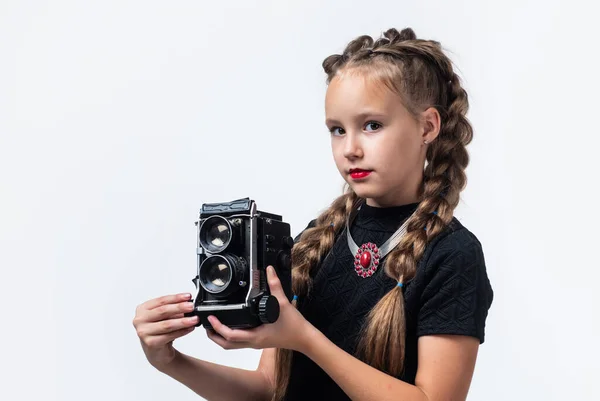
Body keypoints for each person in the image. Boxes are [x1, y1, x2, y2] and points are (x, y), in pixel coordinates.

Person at [132, 27, 494, 401]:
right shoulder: (317, 240)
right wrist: (169, 360)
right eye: (337, 130)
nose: (350, 149)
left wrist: (304, 338)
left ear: (427, 126)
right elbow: (269, 389)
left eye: (372, 125)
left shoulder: (452, 254)